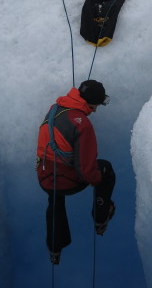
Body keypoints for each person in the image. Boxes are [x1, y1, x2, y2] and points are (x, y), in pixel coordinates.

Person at [36, 80, 116, 264]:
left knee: (55, 197)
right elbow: (87, 173)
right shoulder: (82, 125)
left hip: (43, 175)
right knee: (105, 170)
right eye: (94, 106)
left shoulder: (55, 108)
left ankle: (55, 247)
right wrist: (97, 178)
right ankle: (101, 218)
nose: (95, 110)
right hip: (65, 180)